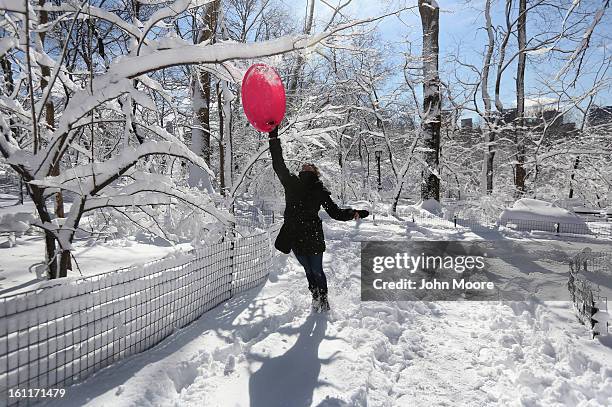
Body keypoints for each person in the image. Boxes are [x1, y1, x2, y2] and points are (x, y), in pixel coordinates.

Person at [268, 126, 369, 312]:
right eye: (304, 165)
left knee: (317, 270)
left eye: (310, 166)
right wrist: (273, 137)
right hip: (294, 235)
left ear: (315, 172)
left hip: (312, 235)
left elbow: (335, 212)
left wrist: (354, 212)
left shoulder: (319, 190)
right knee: (308, 271)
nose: (305, 165)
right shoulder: (291, 183)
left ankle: (323, 300)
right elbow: (278, 164)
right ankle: (315, 297)